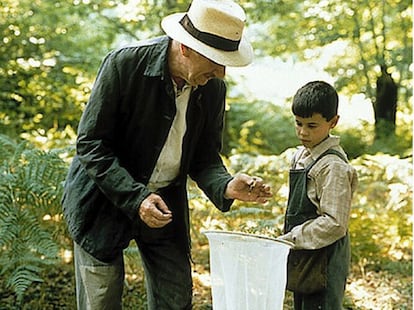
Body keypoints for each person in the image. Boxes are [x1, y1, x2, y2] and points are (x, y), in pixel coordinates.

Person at [61, 0, 272, 309]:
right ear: (185, 47)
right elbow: (91, 144)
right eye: (215, 59)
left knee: (176, 298)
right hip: (102, 201)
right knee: (100, 300)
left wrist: (225, 185)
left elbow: (205, 158)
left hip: (166, 204)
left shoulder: (212, 87)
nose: (221, 72)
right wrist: (137, 198)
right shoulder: (124, 65)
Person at [277, 81, 358, 309]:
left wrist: (292, 238)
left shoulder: (333, 166)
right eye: (298, 124)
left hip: (325, 259)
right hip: (304, 254)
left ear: (333, 122)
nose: (303, 132)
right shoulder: (302, 156)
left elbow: (334, 223)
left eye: (312, 126)